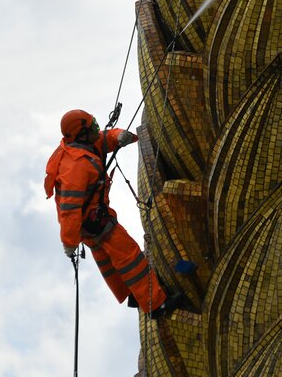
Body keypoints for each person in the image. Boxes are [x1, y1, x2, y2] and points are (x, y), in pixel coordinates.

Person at [44, 109, 180, 318]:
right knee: (130, 257)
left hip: (89, 226)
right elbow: (69, 210)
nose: (98, 130)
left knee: (109, 262)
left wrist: (119, 136)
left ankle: (135, 293)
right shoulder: (76, 166)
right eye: (93, 127)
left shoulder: (81, 147)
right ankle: (157, 304)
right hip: (97, 223)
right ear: (81, 134)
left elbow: (103, 139)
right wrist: (69, 242)